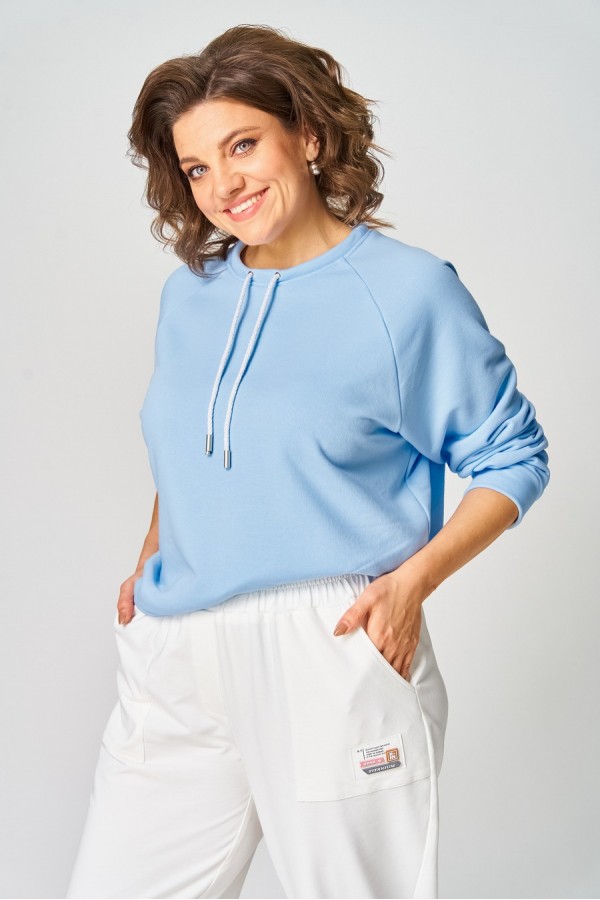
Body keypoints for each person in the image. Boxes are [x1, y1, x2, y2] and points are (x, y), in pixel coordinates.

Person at [65, 23, 550, 900]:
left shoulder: (406, 291)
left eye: (243, 145)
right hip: (178, 650)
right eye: (197, 167)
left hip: (327, 644)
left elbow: (514, 456)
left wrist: (411, 585)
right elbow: (193, 444)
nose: (224, 185)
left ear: (311, 137)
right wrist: (152, 555)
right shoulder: (191, 296)